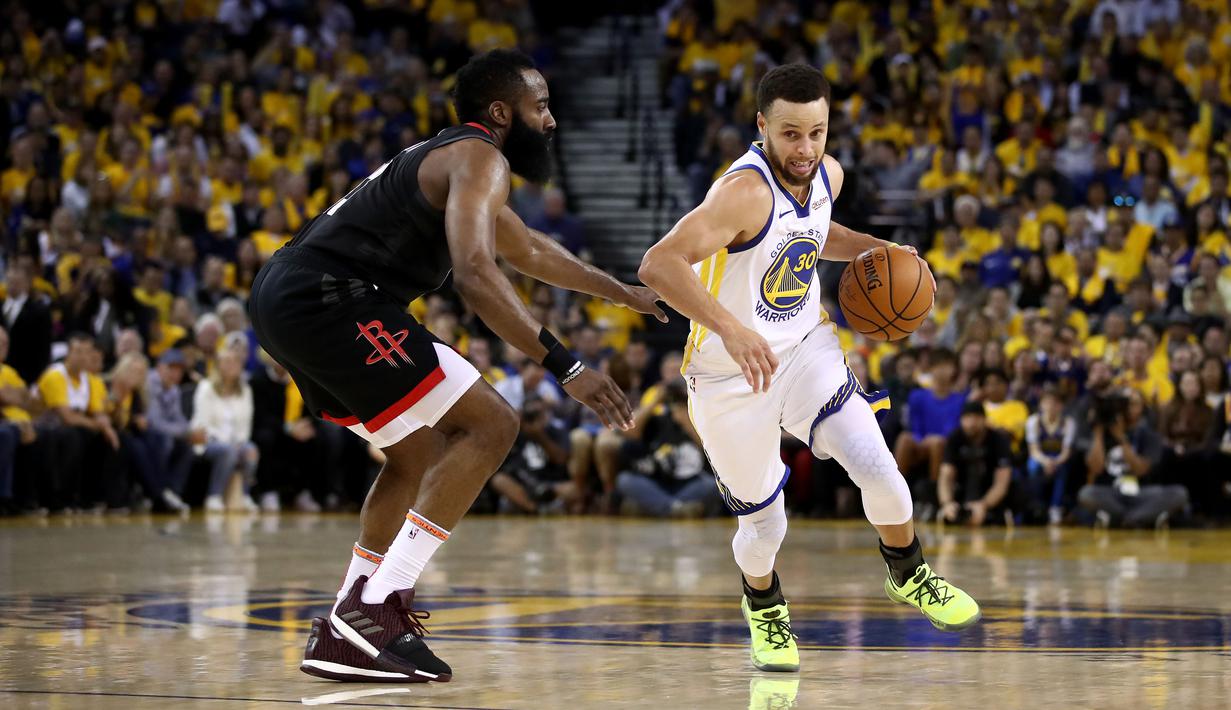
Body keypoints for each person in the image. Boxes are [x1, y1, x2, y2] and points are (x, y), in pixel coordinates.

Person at [249, 50, 664, 683]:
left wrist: (623, 293)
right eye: (540, 106)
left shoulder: (457, 159)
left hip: (287, 298)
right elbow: (475, 272)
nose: (551, 119)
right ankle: (379, 605)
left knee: (413, 453)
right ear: (501, 112)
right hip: (331, 297)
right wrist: (566, 364)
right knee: (493, 424)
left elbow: (528, 250)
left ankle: (348, 626)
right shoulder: (480, 156)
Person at [639, 63, 980, 675]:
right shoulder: (741, 193)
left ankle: (909, 573)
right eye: (791, 134)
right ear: (762, 126)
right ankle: (764, 605)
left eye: (816, 133)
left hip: (803, 350)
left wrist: (879, 249)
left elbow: (818, 233)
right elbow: (658, 264)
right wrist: (731, 328)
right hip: (727, 374)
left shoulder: (829, 175)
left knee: (879, 468)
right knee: (765, 526)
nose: (805, 148)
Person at [937, 402, 1014, 527]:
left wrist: (984, 505)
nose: (971, 423)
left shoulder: (998, 440)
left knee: (1018, 492)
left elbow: (1002, 482)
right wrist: (947, 503)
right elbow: (946, 476)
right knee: (923, 488)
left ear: (984, 420)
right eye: (967, 418)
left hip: (989, 491)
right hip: (961, 489)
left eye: (976, 418)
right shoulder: (954, 438)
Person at [1024, 386, 1076, 525]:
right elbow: (1033, 450)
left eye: (1055, 403)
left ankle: (1055, 507)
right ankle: (1037, 504)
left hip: (1058, 458)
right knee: (1033, 467)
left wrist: (1055, 462)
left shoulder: (1068, 422)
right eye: (1047, 402)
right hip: (1040, 457)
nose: (1051, 406)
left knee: (1063, 469)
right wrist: (1046, 461)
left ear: (1061, 406)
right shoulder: (1033, 421)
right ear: (1041, 404)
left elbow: (1066, 451)